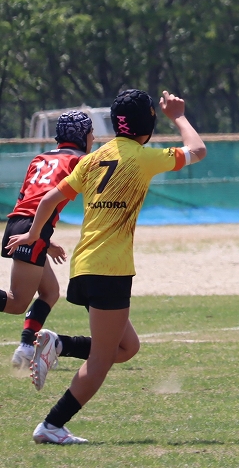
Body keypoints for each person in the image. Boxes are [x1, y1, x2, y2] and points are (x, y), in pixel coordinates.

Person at [6, 89, 206, 445]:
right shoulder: (144, 158)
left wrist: (34, 235)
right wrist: (178, 116)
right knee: (101, 360)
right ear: (147, 125)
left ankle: (58, 344)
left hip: (83, 265)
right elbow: (198, 150)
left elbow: (50, 198)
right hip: (110, 269)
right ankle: (51, 425)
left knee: (127, 348)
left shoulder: (93, 159)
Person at [1, 112, 94, 369]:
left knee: (50, 292)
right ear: (81, 136)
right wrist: (36, 235)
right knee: (17, 302)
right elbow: (45, 201)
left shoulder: (40, 158)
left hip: (21, 224)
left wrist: (44, 240)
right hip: (32, 228)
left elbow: (27, 199)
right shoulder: (80, 161)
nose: (93, 138)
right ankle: (26, 347)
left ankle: (26, 347)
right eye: (91, 133)